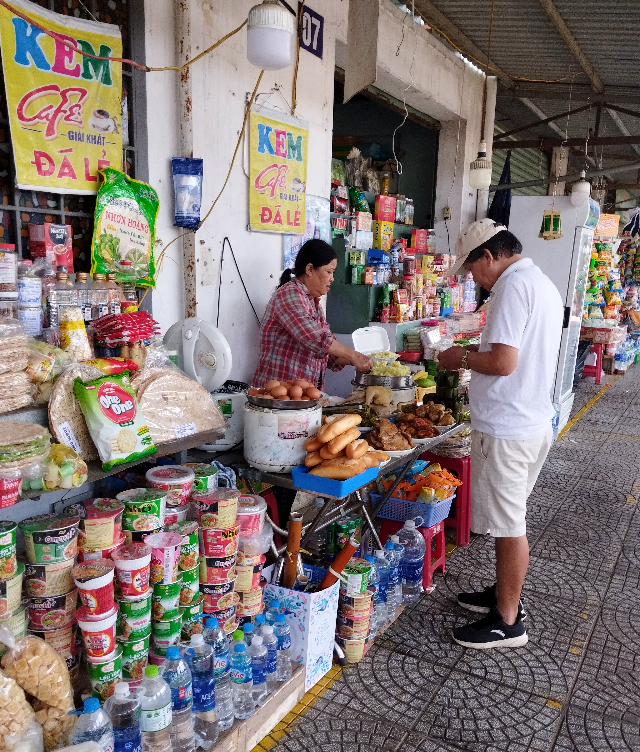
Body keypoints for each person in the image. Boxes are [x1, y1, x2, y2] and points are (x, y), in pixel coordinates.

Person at [437, 219, 563, 649]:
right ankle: (501, 594)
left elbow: (503, 362)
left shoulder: (511, 288)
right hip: (530, 421)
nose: (473, 279)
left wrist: (462, 356)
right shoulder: (541, 282)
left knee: (511, 527)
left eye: (472, 270)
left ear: (489, 256)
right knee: (510, 520)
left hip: (509, 429)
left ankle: (508, 620)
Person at [253, 239, 372, 389]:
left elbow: (328, 354)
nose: (332, 278)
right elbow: (314, 338)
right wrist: (354, 356)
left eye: (333, 273)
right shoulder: (290, 295)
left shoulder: (314, 303)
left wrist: (361, 360)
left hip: (303, 398)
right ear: (310, 269)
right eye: (328, 272)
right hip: (276, 395)